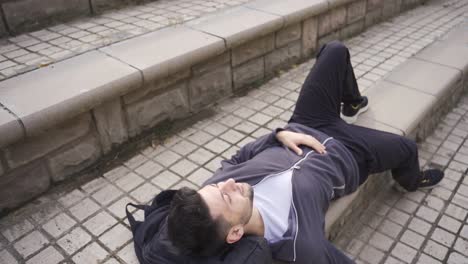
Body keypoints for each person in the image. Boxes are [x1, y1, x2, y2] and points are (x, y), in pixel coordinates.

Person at [166, 41, 444, 263]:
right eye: (226, 196)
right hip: (350, 152)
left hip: (308, 121)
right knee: (407, 149)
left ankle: (354, 102)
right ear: (235, 232)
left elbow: (238, 158)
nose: (227, 183)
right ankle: (411, 181)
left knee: (334, 51)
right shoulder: (301, 243)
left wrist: (279, 134)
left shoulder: (211, 194)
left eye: (217, 185)